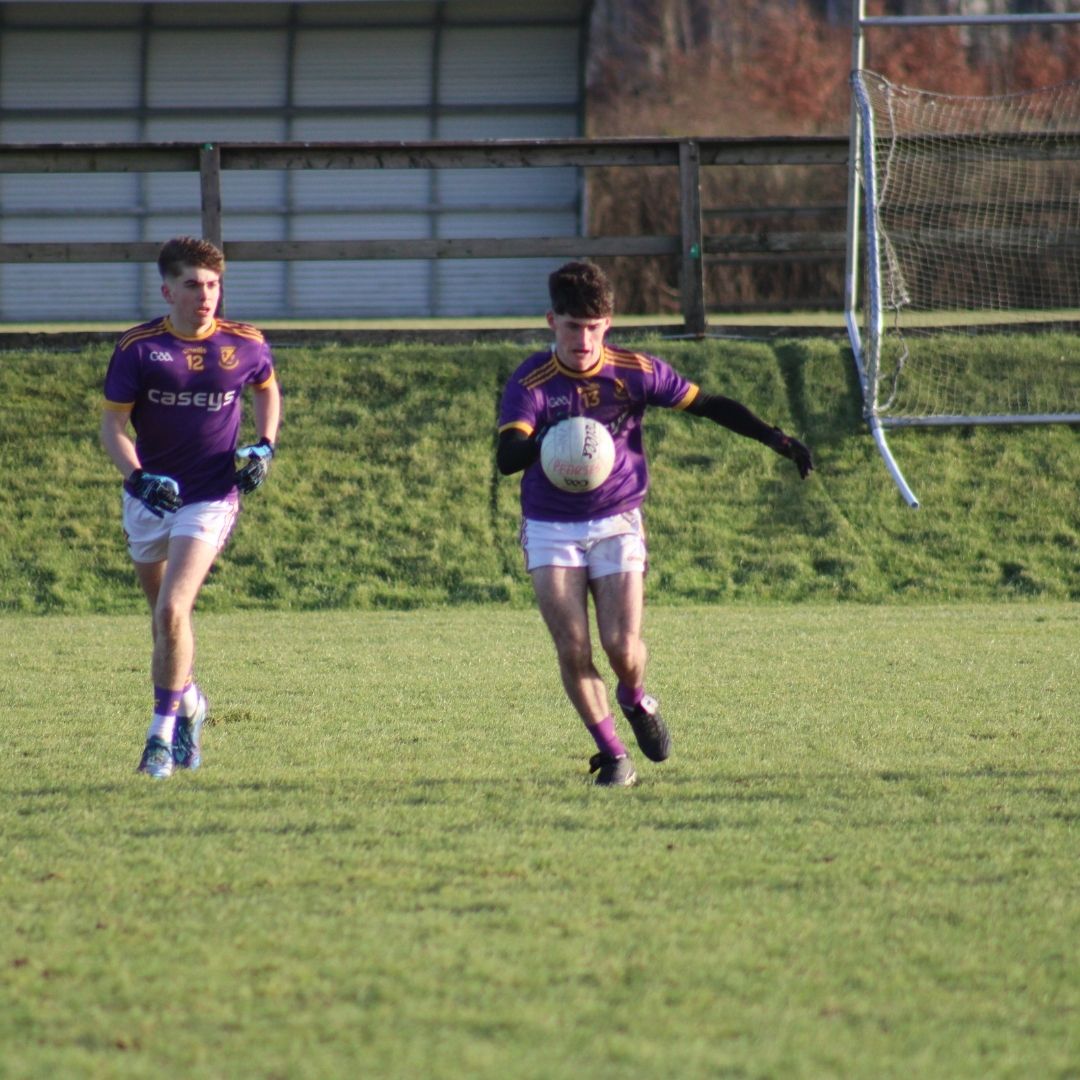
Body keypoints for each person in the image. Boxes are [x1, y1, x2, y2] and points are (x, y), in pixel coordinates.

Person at [496, 261, 813, 787]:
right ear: (552, 321)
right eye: (572, 326)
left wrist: (776, 438)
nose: (582, 339)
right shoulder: (532, 382)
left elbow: (708, 404)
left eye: (593, 327)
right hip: (552, 525)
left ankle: (635, 697)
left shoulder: (634, 371)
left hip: (616, 519)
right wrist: (547, 441)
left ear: (608, 323)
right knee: (573, 647)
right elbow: (508, 457)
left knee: (622, 648)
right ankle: (613, 755)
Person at [100, 236, 281, 779]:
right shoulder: (139, 348)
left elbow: (266, 388)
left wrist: (264, 445)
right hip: (150, 497)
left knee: (173, 610)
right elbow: (112, 427)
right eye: (193, 285)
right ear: (167, 291)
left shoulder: (245, 342)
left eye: (213, 285)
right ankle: (191, 702)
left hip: (210, 495)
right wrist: (137, 477)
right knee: (162, 621)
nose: (205, 296)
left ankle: (159, 738)